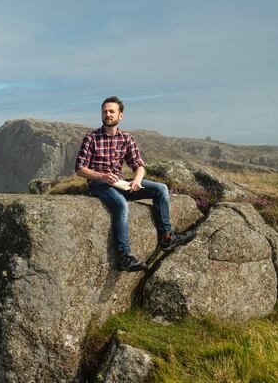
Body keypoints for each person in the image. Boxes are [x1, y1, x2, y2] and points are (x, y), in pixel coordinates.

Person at [74, 96, 194, 272]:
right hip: (99, 184)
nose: (107, 114)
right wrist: (101, 176)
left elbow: (139, 165)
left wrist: (137, 180)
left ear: (120, 115)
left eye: (111, 111)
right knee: (121, 204)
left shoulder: (126, 138)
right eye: (105, 111)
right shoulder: (91, 138)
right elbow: (79, 169)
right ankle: (124, 257)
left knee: (161, 189)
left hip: (121, 183)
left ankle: (167, 237)